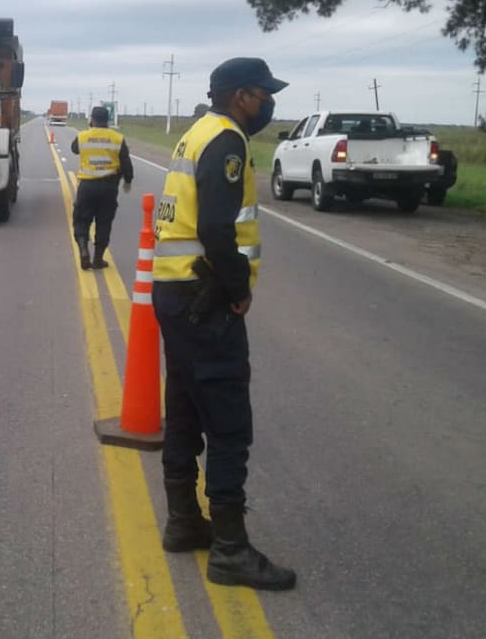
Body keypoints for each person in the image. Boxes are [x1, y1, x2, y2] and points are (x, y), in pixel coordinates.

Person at [151, 57, 296, 590]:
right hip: (204, 298)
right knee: (229, 422)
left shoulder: (196, 132)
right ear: (241, 96)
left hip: (175, 291)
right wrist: (238, 289)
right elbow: (216, 228)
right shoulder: (227, 140)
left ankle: (184, 521)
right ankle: (231, 550)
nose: (268, 103)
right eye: (263, 93)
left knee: (185, 407)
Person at [71, 106, 133, 270]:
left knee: (81, 220)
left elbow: (74, 149)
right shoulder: (117, 138)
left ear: (92, 119)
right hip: (108, 187)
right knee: (104, 223)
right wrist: (128, 181)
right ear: (108, 121)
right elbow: (126, 163)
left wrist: (90, 132)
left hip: (87, 187)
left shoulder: (83, 136)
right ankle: (98, 259)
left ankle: (84, 250)